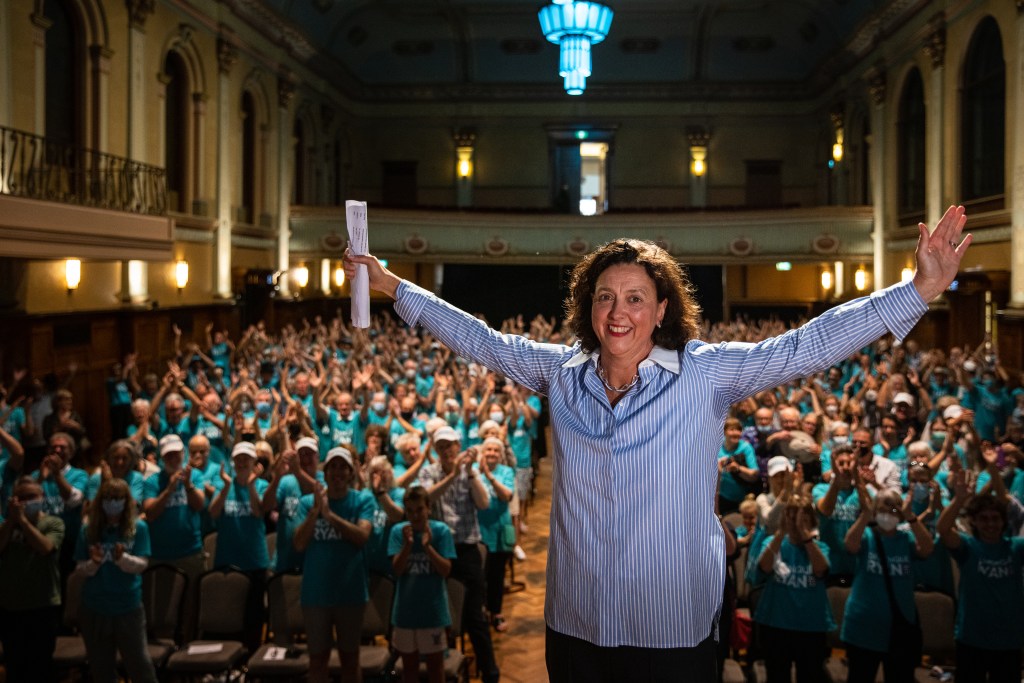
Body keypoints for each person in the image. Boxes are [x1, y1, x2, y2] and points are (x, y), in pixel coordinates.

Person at [344, 205, 971, 682]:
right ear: (589, 308)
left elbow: (806, 345)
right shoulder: (561, 375)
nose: (619, 312)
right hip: (579, 625)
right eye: (606, 297)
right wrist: (395, 286)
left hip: (673, 631)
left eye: (635, 298)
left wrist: (917, 291)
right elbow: (479, 339)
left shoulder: (705, 374)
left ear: (662, 307)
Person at [414, 425, 499, 683]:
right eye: (441, 447)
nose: (446, 450)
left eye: (450, 445)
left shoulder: (468, 472)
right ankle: (446, 671)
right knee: (440, 615)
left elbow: (484, 503)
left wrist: (471, 472)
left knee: (475, 617)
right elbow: (424, 499)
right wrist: (451, 477)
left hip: (466, 550)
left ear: (457, 446)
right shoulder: (429, 472)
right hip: (440, 550)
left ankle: (490, 673)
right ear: (436, 450)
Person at [293, 447, 374, 683]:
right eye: (333, 467)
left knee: (350, 659)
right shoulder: (307, 502)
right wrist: (316, 512)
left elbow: (361, 536)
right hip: (315, 594)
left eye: (343, 467)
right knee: (317, 660)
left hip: (351, 593)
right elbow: (298, 544)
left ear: (351, 473)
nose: (337, 472)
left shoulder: (363, 500)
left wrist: (330, 517)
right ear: (325, 473)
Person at [937, 468, 1024, 682]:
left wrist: (995, 473)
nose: (990, 524)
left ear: (1003, 522)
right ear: (974, 522)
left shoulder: (1015, 547)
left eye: (995, 519)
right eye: (984, 519)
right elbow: (944, 529)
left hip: (1009, 639)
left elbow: (1009, 504)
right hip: (972, 638)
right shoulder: (968, 547)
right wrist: (959, 500)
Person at [841, 488, 934, 683]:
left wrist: (910, 517)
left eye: (894, 509)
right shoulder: (867, 536)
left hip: (898, 628)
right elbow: (850, 544)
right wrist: (865, 516)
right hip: (864, 627)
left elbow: (926, 548)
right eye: (884, 508)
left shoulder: (906, 539)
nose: (889, 513)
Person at [73, 478, 157, 683]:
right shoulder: (89, 529)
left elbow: (142, 564)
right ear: (100, 501)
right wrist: (94, 563)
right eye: (109, 498)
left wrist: (122, 559)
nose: (113, 503)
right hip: (95, 606)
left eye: (118, 499)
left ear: (126, 501)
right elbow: (80, 569)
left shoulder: (138, 527)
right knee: (101, 668)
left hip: (127, 606)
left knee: (140, 665)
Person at [753, 494, 834, 683]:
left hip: (811, 628)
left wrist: (806, 537)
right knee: (777, 675)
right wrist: (782, 532)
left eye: (802, 517)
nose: (797, 522)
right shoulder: (773, 544)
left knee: (810, 675)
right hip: (776, 626)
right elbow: (764, 566)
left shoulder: (820, 547)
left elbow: (820, 570)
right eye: (791, 516)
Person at [389, 485, 457, 683]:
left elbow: (446, 570)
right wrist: (408, 546)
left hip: (433, 613)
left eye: (419, 509)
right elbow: (397, 570)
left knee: (436, 669)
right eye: (410, 511)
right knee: (409, 669)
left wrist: (427, 547)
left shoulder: (441, 531)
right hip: (404, 613)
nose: (415, 515)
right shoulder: (398, 532)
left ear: (428, 508)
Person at [0, 476, 64, 683]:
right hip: (11, 607)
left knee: (39, 668)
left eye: (32, 497)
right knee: (15, 667)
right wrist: (11, 521)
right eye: (22, 498)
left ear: (42, 497)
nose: (27, 501)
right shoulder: (7, 526)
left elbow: (45, 548)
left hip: (42, 605)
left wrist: (24, 522)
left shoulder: (53, 523)